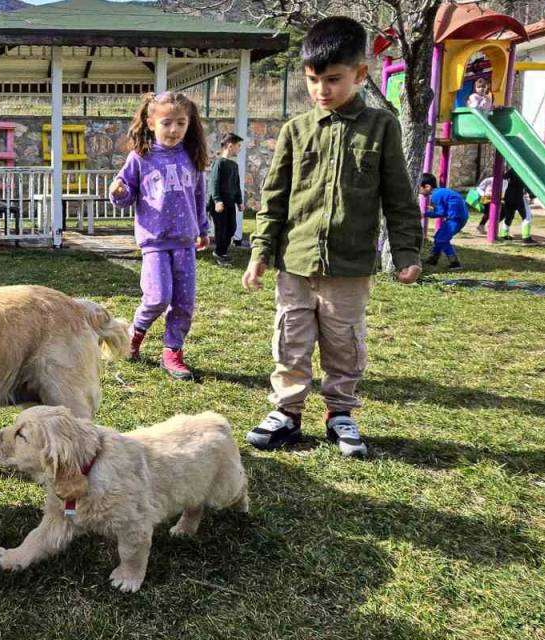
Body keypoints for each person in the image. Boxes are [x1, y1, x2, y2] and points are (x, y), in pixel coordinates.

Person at [241, 16, 423, 458]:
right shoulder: (295, 131)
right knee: (291, 338)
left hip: (349, 265)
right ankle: (286, 413)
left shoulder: (382, 128)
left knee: (344, 342)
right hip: (295, 261)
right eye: (313, 81)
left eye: (333, 80)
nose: (322, 90)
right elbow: (275, 197)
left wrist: (406, 252)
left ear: (361, 74)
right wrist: (260, 252)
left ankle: (340, 412)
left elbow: (399, 197)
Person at [109, 91, 210, 380]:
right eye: (167, 123)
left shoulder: (192, 156)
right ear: (151, 123)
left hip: (185, 242)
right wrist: (118, 192)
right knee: (157, 297)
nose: (174, 129)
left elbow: (199, 196)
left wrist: (203, 229)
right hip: (154, 240)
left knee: (184, 301)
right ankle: (134, 336)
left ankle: (172, 352)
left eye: (181, 122)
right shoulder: (140, 157)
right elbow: (126, 192)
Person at [208, 132, 244, 267]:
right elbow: (214, 182)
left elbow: (236, 184)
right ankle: (219, 253)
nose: (239, 149)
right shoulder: (219, 163)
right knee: (221, 229)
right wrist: (217, 200)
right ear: (230, 146)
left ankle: (222, 251)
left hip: (230, 203)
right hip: (219, 203)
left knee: (231, 227)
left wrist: (239, 201)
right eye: (238, 146)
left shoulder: (234, 166)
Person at [419, 172, 468, 270]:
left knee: (442, 239)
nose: (419, 192)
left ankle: (455, 263)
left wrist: (425, 214)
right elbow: (444, 210)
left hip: (455, 219)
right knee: (438, 237)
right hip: (458, 217)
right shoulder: (440, 192)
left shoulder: (436, 195)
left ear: (427, 187)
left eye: (420, 188)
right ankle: (433, 259)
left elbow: (440, 213)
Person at [500, 167, 536, 244]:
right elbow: (527, 184)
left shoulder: (514, 168)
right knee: (527, 217)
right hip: (518, 195)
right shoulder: (526, 170)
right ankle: (526, 237)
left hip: (508, 195)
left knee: (509, 216)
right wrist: (531, 195)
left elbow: (504, 176)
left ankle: (503, 235)